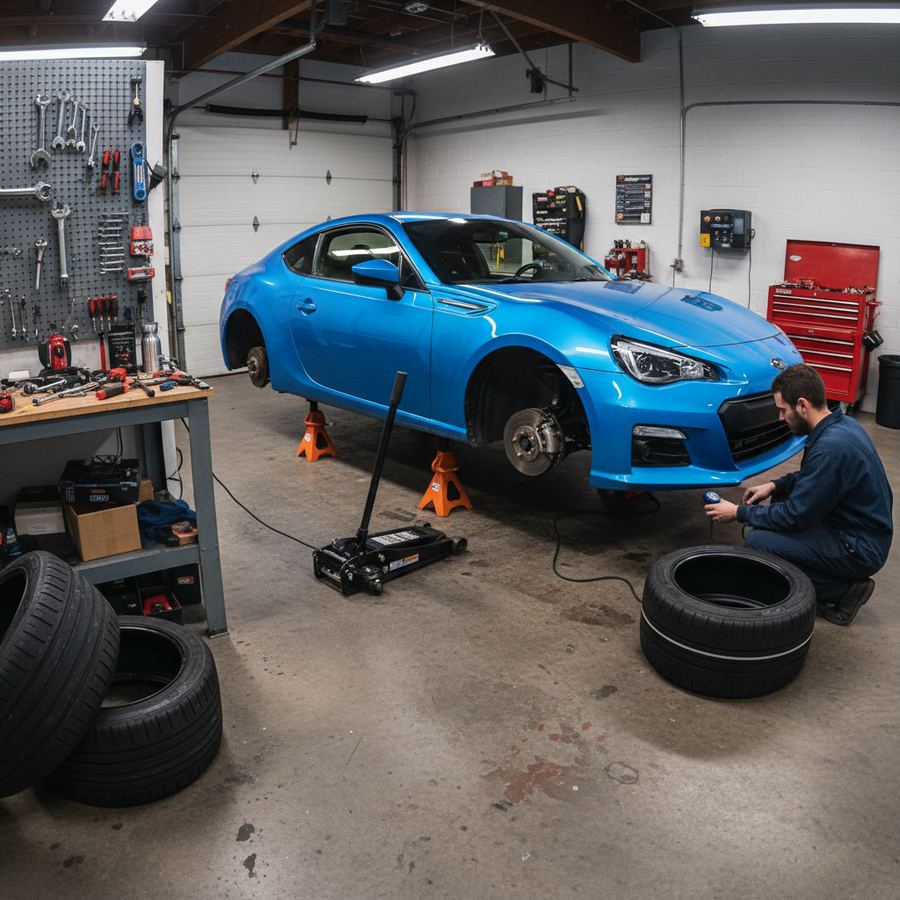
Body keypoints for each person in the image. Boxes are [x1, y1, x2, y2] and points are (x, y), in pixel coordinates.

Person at [705, 363, 893, 625]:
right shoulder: (840, 425)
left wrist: (738, 512)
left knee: (759, 543)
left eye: (783, 410)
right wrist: (775, 485)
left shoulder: (831, 448)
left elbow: (794, 516)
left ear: (803, 405)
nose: (781, 418)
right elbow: (812, 478)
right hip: (856, 530)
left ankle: (844, 591)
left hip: (858, 547)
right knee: (779, 501)